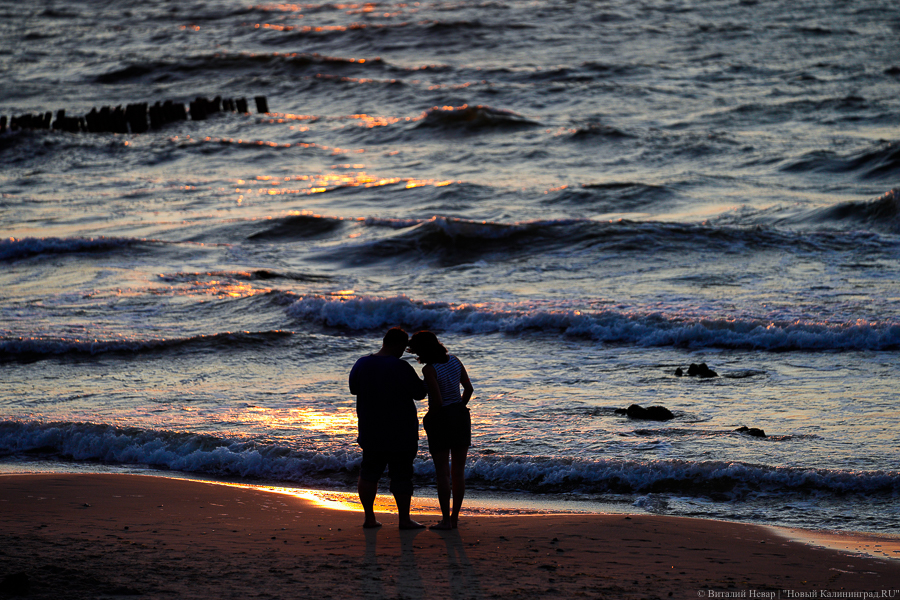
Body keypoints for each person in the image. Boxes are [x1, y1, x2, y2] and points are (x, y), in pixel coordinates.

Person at [349, 327, 428, 530]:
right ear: (399, 345)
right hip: (400, 431)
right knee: (401, 475)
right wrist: (429, 379)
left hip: (370, 429)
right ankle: (404, 520)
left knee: (368, 473)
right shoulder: (400, 366)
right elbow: (419, 394)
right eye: (403, 348)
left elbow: (353, 389)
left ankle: (369, 518)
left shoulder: (362, 363)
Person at [406, 331, 474, 530]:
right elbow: (468, 389)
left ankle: (445, 520)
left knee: (443, 472)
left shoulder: (429, 369)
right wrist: (460, 406)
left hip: (441, 418)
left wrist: (428, 418)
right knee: (458, 472)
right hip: (461, 416)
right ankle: (454, 519)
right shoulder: (454, 360)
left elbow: (437, 401)